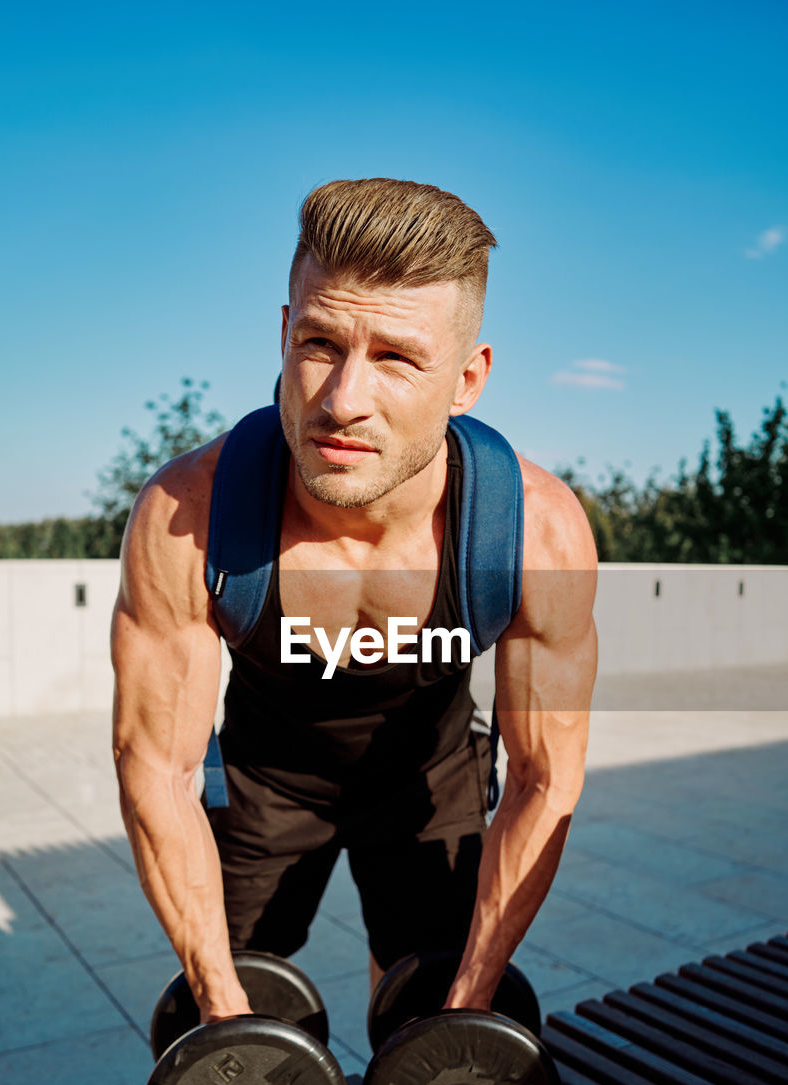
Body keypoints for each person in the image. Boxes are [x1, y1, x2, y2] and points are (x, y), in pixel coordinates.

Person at [112, 178, 597, 1025]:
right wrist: (224, 1014)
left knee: (423, 996)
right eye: (319, 343)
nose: (342, 401)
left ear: (466, 378)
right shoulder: (190, 513)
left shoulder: (532, 533)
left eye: (398, 358)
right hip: (266, 776)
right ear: (284, 332)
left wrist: (469, 1000)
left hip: (430, 775)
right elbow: (156, 767)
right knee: (225, 987)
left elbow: (543, 779)